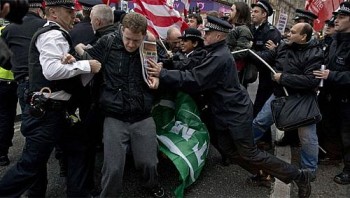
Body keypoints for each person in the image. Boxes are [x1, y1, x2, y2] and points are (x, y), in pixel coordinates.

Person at [148, 15, 314, 198]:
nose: (204, 35)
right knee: (228, 150)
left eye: (208, 32)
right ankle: (261, 173)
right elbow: (191, 63)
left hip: (236, 113)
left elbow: (195, 79)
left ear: (219, 36)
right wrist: (169, 63)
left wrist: (163, 74)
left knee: (249, 152)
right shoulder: (212, 50)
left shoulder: (219, 56)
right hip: (223, 112)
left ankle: (299, 176)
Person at [0, 0, 102, 196]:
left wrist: (72, 60)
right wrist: (87, 65)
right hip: (47, 113)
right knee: (29, 167)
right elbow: (52, 71)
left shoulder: (56, 33)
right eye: (69, 11)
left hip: (58, 112)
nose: (74, 16)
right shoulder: (53, 34)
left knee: (79, 149)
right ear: (53, 13)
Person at [74, 12, 164, 197]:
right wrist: (77, 51)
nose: (131, 44)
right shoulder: (107, 42)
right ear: (122, 30)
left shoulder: (150, 43)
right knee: (113, 168)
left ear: (144, 35)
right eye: (128, 38)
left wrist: (159, 74)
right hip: (115, 115)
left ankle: (151, 184)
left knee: (149, 163)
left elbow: (164, 63)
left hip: (142, 114)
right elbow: (89, 59)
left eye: (136, 41)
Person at [253, 22, 322, 177]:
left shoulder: (315, 54)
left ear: (303, 36)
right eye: (289, 31)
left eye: (293, 32)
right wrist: (249, 53)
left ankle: (309, 171)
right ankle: (245, 149)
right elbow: (269, 57)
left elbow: (311, 80)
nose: (288, 34)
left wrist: (283, 78)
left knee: (307, 138)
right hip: (279, 95)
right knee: (259, 122)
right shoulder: (284, 45)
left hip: (301, 100)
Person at [313, 1, 350, 185]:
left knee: (347, 135)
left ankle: (348, 170)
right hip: (329, 94)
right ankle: (333, 155)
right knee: (328, 127)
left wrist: (331, 74)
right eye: (336, 16)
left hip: (346, 99)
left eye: (342, 17)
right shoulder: (335, 40)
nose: (336, 20)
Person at [250, 0, 281, 149]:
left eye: (256, 11)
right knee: (260, 106)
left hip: (271, 76)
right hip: (262, 75)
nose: (252, 13)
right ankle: (264, 140)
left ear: (264, 14)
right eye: (252, 11)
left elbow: (268, 57)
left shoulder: (271, 32)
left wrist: (249, 52)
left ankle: (264, 141)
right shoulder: (254, 29)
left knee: (262, 107)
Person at [226, 1, 253, 86]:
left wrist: (225, 56)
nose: (229, 12)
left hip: (236, 71)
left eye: (232, 10)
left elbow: (241, 51)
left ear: (239, 13)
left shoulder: (243, 30)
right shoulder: (233, 27)